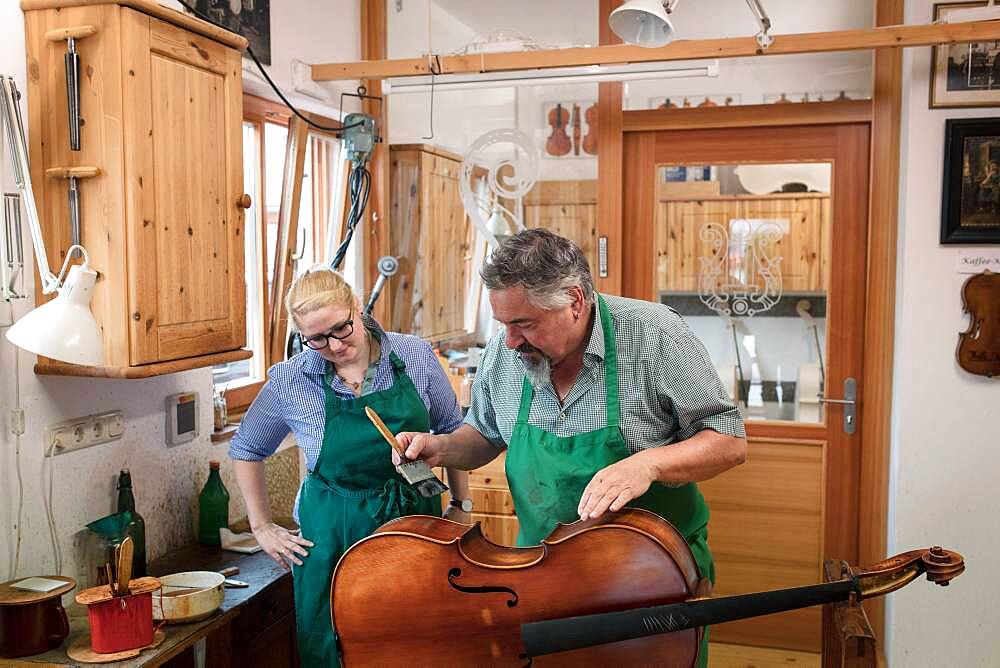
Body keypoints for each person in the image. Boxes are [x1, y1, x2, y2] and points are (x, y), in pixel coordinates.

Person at [394, 229, 747, 666]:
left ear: (575, 301)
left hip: (651, 573)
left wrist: (649, 464)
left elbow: (728, 440)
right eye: (503, 324)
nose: (509, 341)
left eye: (524, 324)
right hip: (543, 576)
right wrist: (441, 447)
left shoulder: (655, 335)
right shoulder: (504, 356)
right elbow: (484, 435)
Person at [229, 267, 469, 667]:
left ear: (358, 308)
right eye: (317, 339)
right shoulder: (291, 381)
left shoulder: (413, 356)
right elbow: (247, 447)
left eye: (342, 329)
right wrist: (262, 526)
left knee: (419, 644)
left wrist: (462, 503)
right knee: (337, 648)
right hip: (333, 540)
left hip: (414, 528)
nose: (335, 346)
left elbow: (451, 431)